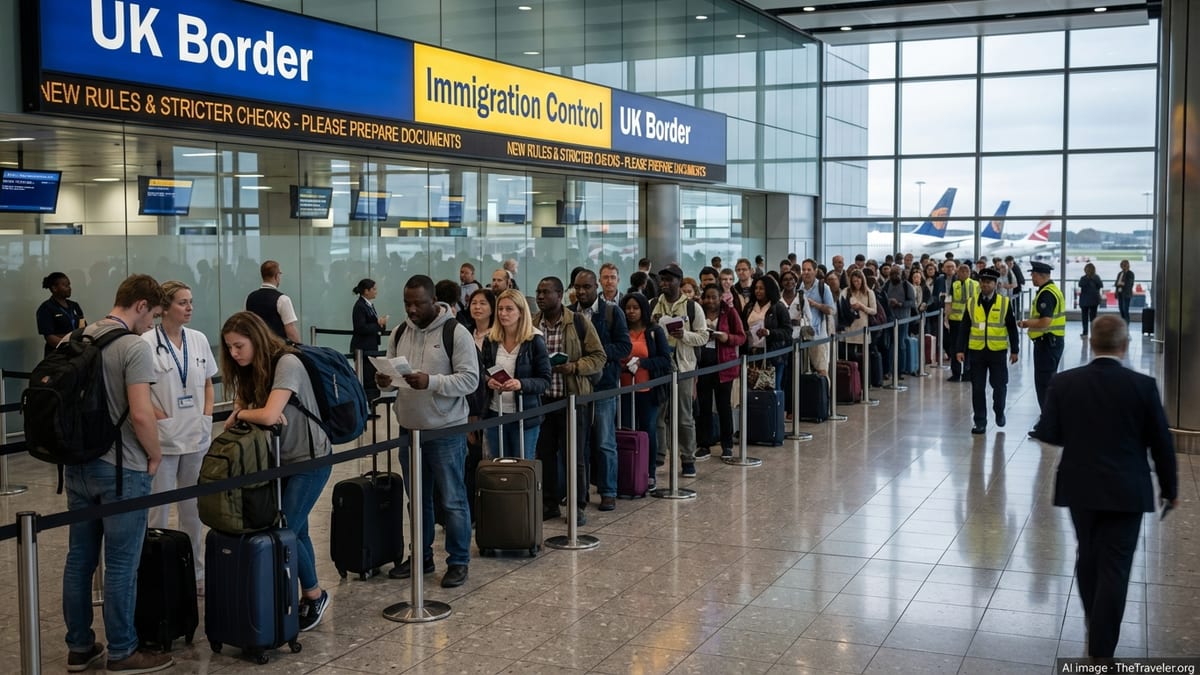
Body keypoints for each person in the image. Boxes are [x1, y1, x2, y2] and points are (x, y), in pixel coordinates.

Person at [1037, 315, 1177, 660]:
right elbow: (1161, 443)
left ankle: (1093, 621)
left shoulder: (1065, 382)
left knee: (1088, 554)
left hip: (1080, 486)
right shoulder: (1143, 386)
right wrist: (1170, 488)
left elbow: (1050, 433)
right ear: (1124, 345)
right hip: (1127, 491)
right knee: (1115, 565)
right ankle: (1101, 649)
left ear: (1092, 343)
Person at [62, 275, 172, 674]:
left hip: (76, 467)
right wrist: (155, 456)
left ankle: (79, 647)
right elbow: (142, 413)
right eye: (154, 315)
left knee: (80, 560)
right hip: (122, 468)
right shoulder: (131, 347)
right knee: (123, 563)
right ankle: (123, 651)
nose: (153, 325)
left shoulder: (79, 337)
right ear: (140, 305)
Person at [221, 311, 332, 630]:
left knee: (285, 528)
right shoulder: (249, 369)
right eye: (229, 347)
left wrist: (246, 414)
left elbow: (268, 414)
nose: (234, 353)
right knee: (298, 530)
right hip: (279, 459)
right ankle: (305, 594)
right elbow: (247, 409)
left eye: (239, 346)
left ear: (256, 339)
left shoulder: (287, 363)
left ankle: (314, 595)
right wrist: (247, 412)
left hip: (310, 459)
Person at [376, 275, 478, 588]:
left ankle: (458, 560)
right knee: (417, 500)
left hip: (445, 430)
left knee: (452, 499)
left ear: (434, 301)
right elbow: (398, 375)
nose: (412, 309)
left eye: (418, 303)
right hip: (409, 428)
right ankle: (421, 557)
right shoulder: (400, 331)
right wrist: (386, 380)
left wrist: (431, 381)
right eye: (407, 303)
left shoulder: (455, 332)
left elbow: (470, 380)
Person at [143, 281, 216, 595]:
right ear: (165, 307)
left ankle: (196, 570)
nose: (189, 308)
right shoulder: (146, 342)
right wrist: (162, 419)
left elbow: (209, 383)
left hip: (196, 433)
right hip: (165, 438)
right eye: (182, 303)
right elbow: (141, 388)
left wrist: (207, 415)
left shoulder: (198, 340)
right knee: (157, 508)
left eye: (191, 302)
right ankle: (153, 569)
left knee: (193, 507)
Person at [533, 277, 606, 525]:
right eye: (538, 292)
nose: (541, 296)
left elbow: (598, 356)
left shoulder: (577, 322)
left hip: (572, 400)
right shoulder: (532, 323)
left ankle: (577, 505)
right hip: (543, 401)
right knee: (545, 455)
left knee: (574, 456)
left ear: (560, 294)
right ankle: (550, 503)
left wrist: (574, 366)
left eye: (546, 292)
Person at [568, 270, 631, 512]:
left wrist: (597, 355)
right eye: (577, 287)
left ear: (596, 287)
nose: (581, 291)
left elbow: (624, 345)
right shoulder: (570, 313)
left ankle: (608, 490)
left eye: (586, 287)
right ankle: (578, 492)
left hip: (603, 384)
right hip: (577, 385)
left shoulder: (611, 311)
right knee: (578, 442)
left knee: (605, 440)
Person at [651, 264, 710, 476]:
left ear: (679, 281)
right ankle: (659, 456)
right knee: (659, 414)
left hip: (684, 366)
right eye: (662, 280)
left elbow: (703, 336)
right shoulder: (653, 305)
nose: (665, 284)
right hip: (660, 367)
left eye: (669, 280)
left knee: (684, 416)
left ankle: (687, 458)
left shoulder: (693, 308)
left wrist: (683, 335)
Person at [481, 290, 550, 460]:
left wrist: (521, 384)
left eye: (509, 309)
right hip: (495, 413)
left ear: (521, 312)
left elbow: (545, 380)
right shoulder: (490, 339)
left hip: (525, 416)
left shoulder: (534, 340)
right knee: (498, 466)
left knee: (521, 467)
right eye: (500, 309)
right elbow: (482, 370)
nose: (503, 313)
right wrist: (488, 380)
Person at [955, 269, 1019, 435]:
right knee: (977, 388)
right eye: (983, 281)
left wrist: (1015, 350)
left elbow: (1012, 327)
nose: (985, 284)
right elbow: (964, 328)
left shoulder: (1004, 303)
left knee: (999, 386)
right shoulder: (971, 302)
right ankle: (980, 421)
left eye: (988, 282)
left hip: (997, 352)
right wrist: (960, 349)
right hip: (976, 352)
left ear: (995, 284)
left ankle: (999, 411)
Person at [619, 293, 671, 491]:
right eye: (628, 308)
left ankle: (649, 472)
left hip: (647, 389)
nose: (631, 312)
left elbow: (665, 359)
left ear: (643, 310)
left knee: (648, 429)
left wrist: (642, 363)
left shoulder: (653, 331)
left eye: (635, 308)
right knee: (625, 429)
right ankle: (627, 469)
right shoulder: (620, 331)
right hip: (623, 389)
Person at [696, 284, 745, 459]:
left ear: (720, 298)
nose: (710, 301)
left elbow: (741, 336)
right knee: (704, 406)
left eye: (713, 297)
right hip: (703, 364)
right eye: (707, 297)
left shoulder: (730, 313)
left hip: (724, 365)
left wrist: (726, 337)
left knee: (724, 406)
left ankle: (727, 444)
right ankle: (704, 444)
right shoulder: (698, 312)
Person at [1018, 261, 1066, 416]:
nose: (1032, 277)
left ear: (1039, 276)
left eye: (1033, 274)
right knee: (1048, 381)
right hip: (1053, 342)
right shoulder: (1052, 290)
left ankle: (1048, 420)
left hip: (1047, 343)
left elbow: (1045, 321)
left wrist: (1026, 323)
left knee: (1044, 383)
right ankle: (1050, 417)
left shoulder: (1046, 294)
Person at [742, 275, 791, 394]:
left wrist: (769, 332)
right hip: (753, 353)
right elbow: (742, 325)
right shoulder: (749, 307)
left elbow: (787, 331)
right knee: (752, 388)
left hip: (773, 355)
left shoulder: (778, 307)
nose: (758, 291)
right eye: (756, 288)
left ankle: (776, 412)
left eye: (762, 288)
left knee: (773, 387)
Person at [350, 278, 389, 404]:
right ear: (366, 291)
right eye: (374, 289)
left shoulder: (369, 305)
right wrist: (378, 324)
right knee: (366, 378)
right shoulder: (360, 306)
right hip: (363, 347)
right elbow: (360, 327)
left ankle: (371, 405)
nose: (376, 291)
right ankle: (366, 407)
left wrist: (381, 325)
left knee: (371, 376)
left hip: (371, 346)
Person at [246, 260, 301, 343]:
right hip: (277, 349)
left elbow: (247, 323)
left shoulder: (249, 297)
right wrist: (300, 349)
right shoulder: (282, 299)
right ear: (277, 276)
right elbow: (290, 331)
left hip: (257, 347)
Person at [798, 259, 834, 379]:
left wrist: (815, 304)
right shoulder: (798, 287)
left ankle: (825, 396)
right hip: (801, 336)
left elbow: (831, 310)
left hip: (818, 336)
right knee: (802, 372)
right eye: (804, 270)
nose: (806, 272)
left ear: (815, 271)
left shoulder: (823, 287)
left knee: (821, 370)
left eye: (809, 270)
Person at [38, 271, 86, 357]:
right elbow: (50, 338)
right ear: (54, 288)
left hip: (77, 353)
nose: (69, 288)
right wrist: (71, 344)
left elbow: (82, 326)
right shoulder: (46, 308)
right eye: (65, 285)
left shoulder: (74, 306)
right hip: (57, 355)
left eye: (69, 285)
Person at [945, 263, 978, 382]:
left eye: (966, 271)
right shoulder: (955, 285)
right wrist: (947, 317)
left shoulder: (975, 284)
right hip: (956, 320)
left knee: (968, 346)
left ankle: (966, 372)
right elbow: (949, 301)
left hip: (969, 320)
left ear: (969, 273)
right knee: (955, 346)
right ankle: (957, 372)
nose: (963, 273)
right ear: (958, 273)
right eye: (961, 271)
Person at [1077, 263, 1104, 336]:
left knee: (1088, 317)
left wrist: (1090, 278)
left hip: (1089, 300)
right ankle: (1090, 332)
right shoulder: (1086, 278)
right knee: (1091, 317)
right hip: (1090, 300)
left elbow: (1100, 285)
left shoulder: (1092, 278)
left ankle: (1086, 332)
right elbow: (1080, 284)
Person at [1114, 259, 1134, 323]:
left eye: (1125, 265)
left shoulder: (1130, 273)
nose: (1123, 266)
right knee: (1121, 309)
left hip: (1126, 294)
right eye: (1122, 265)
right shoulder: (1120, 273)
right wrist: (1119, 285)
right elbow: (1116, 283)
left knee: (1125, 310)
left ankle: (1126, 324)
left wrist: (1121, 283)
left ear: (1128, 265)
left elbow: (1128, 284)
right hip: (1119, 293)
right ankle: (1123, 324)